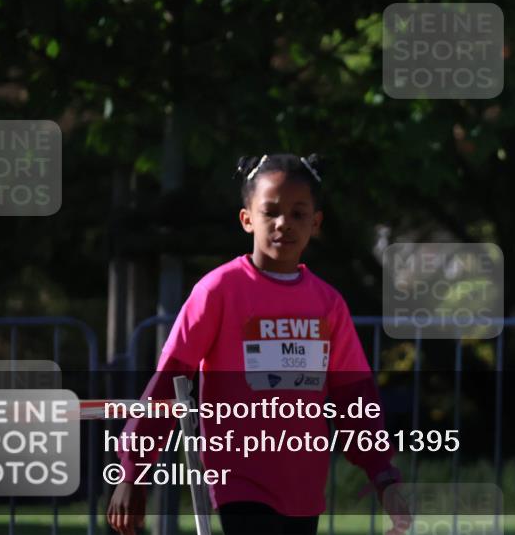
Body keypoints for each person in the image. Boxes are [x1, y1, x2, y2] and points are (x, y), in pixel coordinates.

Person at [107, 153, 408, 535]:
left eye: (299, 214)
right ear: (247, 219)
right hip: (239, 479)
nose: (284, 223)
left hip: (303, 483)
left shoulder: (328, 303)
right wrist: (134, 470)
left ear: (315, 223)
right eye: (271, 212)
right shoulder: (218, 291)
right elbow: (170, 378)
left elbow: (355, 397)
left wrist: (382, 474)